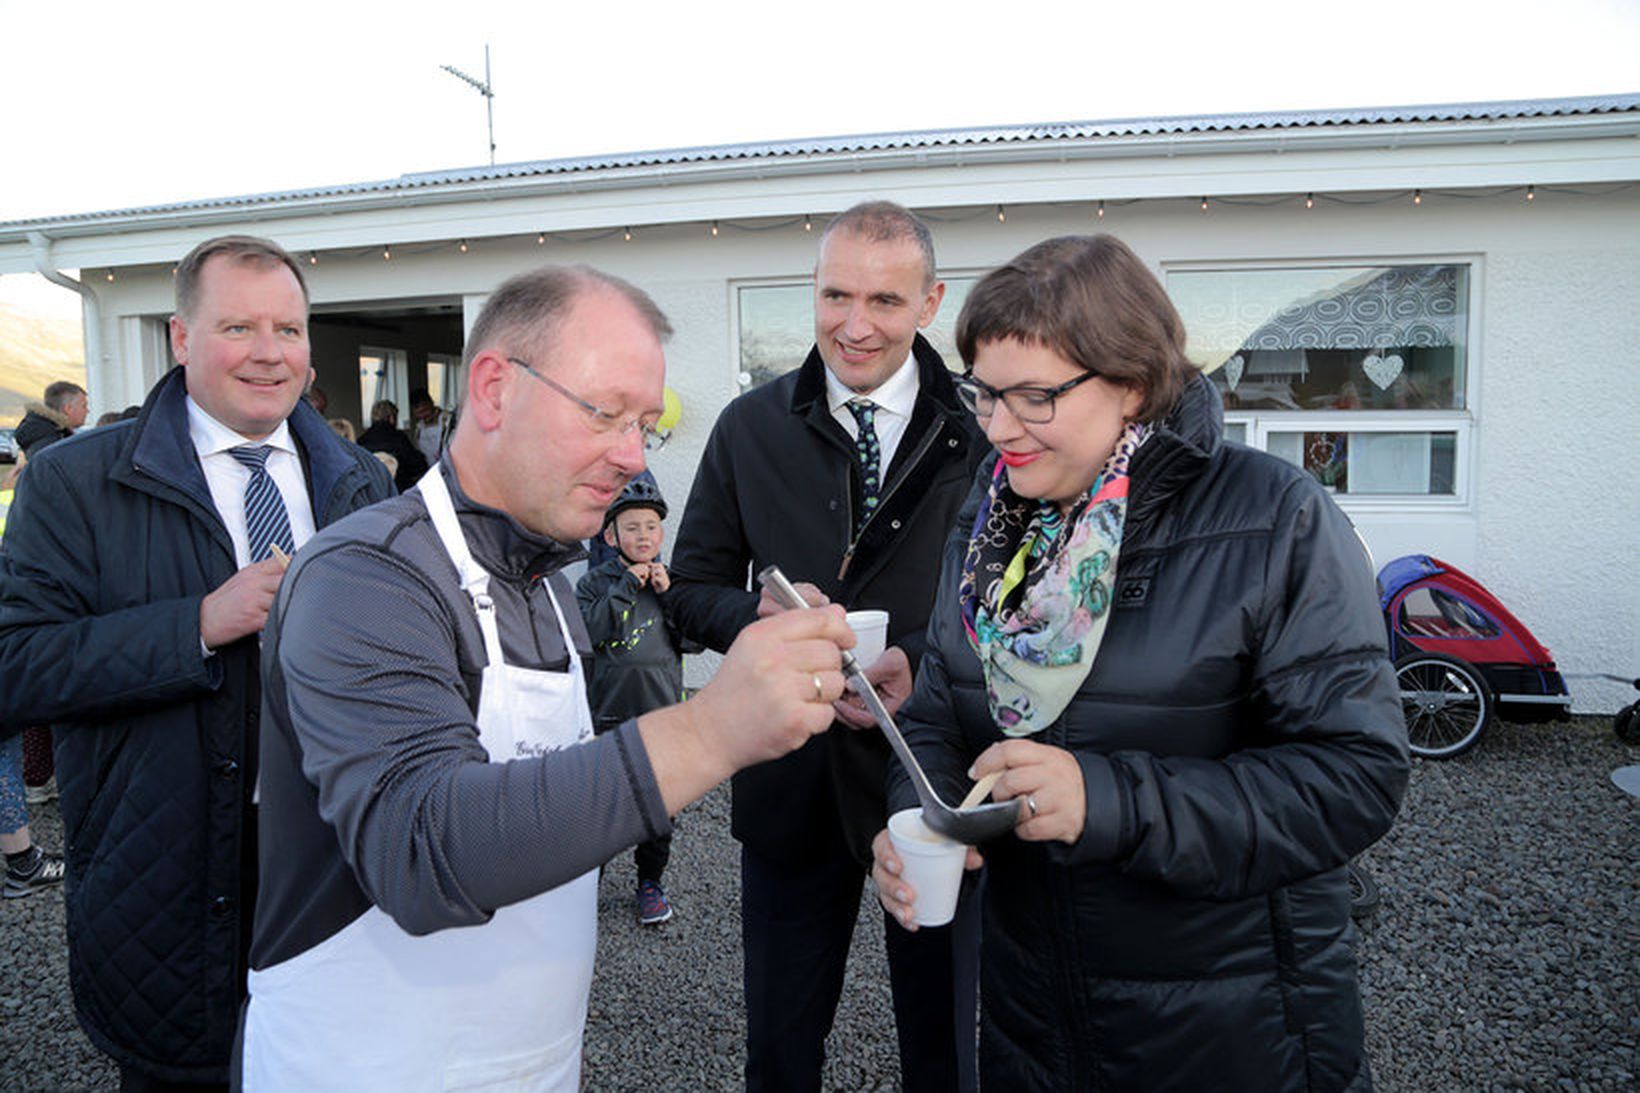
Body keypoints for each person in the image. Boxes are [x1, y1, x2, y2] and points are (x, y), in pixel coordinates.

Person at [242, 264, 855, 1089]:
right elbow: (419, 849)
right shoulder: (365, 578)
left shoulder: (552, 587)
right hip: (364, 1062)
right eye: (605, 413)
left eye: (644, 424)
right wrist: (712, 728)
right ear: (494, 387)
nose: (633, 455)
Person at [869, 234, 1408, 1089]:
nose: (1000, 427)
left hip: (1233, 1029)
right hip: (1031, 1019)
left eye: (1035, 396)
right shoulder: (990, 520)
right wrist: (923, 814)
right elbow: (937, 707)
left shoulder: (1274, 518)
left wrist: (1108, 799)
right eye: (985, 394)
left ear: (1129, 383)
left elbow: (1354, 777)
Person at [0, 234, 394, 1090]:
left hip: (333, 855)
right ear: (182, 338)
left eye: (288, 329)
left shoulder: (361, 479)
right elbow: (16, 666)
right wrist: (200, 623)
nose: (269, 352)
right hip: (166, 874)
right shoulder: (74, 483)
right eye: (239, 327)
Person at [667, 201, 989, 1092]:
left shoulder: (982, 429)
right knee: (780, 1044)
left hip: (933, 770)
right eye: (835, 294)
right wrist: (769, 626)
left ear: (931, 303)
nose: (855, 325)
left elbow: (1009, 599)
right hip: (789, 776)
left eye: (884, 301)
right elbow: (691, 590)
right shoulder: (749, 425)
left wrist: (922, 656)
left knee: (944, 1047)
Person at [576, 476, 693, 925]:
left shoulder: (672, 584)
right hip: (608, 712)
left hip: (662, 713)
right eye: (631, 528)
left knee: (659, 807)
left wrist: (670, 598)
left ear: (661, 533)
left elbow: (694, 642)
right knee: (602, 803)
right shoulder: (594, 583)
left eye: (650, 527)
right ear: (610, 537)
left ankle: (650, 881)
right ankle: (587, 884)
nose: (642, 536)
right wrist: (625, 585)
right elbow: (588, 635)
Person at [357, 398, 429, 490]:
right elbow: (415, 466)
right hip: (397, 489)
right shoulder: (399, 438)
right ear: (391, 418)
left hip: (373, 490)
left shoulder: (362, 440)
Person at [15, 380, 87, 458]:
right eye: (84, 406)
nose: (87, 411)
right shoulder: (50, 443)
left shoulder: (49, 433)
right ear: (68, 408)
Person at [408, 386, 455, 466]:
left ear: (431, 403)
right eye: (418, 413)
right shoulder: (419, 428)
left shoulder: (447, 421)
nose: (423, 416)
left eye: (425, 411)